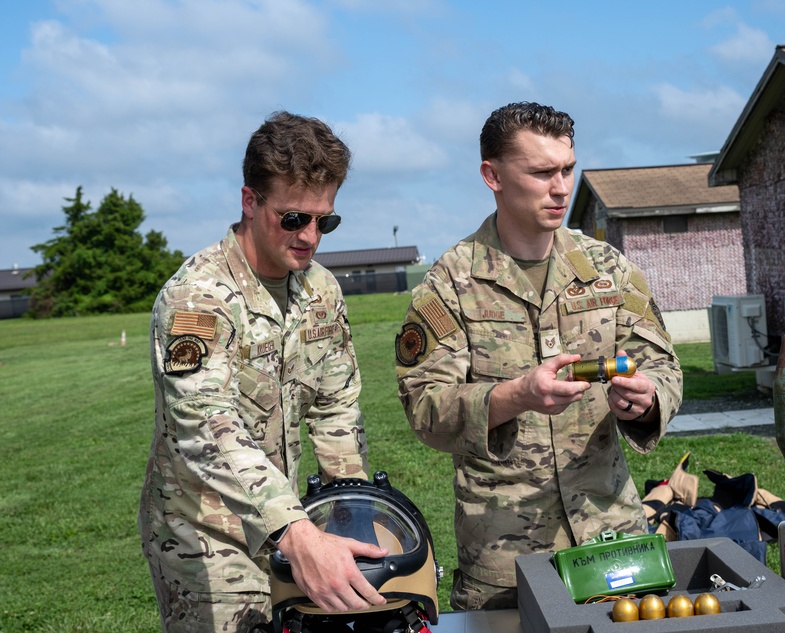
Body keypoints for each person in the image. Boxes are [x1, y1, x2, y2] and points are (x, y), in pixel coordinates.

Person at [394, 102, 683, 610]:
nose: (562, 188)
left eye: (568, 169)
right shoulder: (453, 283)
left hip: (611, 538)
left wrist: (649, 397)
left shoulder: (607, 269)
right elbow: (425, 410)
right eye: (542, 172)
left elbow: (662, 365)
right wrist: (516, 396)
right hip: (507, 558)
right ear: (493, 175)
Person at [139, 111, 388, 632]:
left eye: (327, 220)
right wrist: (297, 533)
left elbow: (336, 406)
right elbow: (205, 426)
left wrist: (351, 512)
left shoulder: (320, 290)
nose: (312, 237)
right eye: (294, 218)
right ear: (250, 201)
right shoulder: (197, 299)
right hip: (204, 530)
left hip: (289, 516)